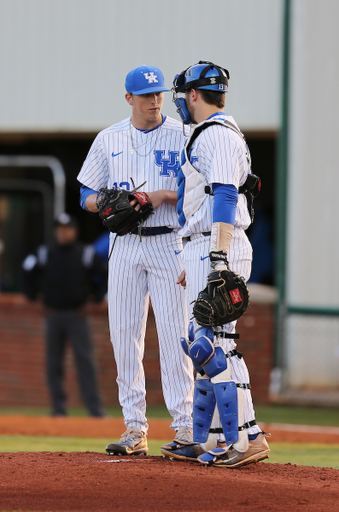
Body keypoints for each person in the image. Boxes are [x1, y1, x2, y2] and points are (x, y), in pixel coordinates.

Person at [77, 65, 194, 456]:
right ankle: (134, 428)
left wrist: (160, 196)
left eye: (158, 93)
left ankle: (185, 427)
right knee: (124, 336)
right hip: (125, 245)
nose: (154, 100)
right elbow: (86, 197)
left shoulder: (182, 134)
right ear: (129, 98)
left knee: (176, 335)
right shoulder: (109, 138)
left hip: (167, 242)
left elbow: (197, 189)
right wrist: (108, 202)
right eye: (146, 95)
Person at [160, 61, 270, 468]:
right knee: (200, 344)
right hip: (201, 243)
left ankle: (247, 438)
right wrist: (194, 253)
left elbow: (225, 194)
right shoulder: (210, 134)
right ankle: (207, 440)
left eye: (181, 96)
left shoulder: (217, 134)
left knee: (215, 345)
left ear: (193, 94)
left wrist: (217, 257)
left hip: (216, 245)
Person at [21, 213, 107, 417]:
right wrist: (34, 296)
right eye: (58, 228)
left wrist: (94, 298)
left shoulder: (86, 252)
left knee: (85, 362)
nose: (62, 232)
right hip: (53, 315)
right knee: (53, 363)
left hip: (77, 315)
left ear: (74, 231)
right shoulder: (45, 252)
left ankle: (95, 410)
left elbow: (104, 274)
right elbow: (26, 272)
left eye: (66, 228)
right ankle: (58, 408)